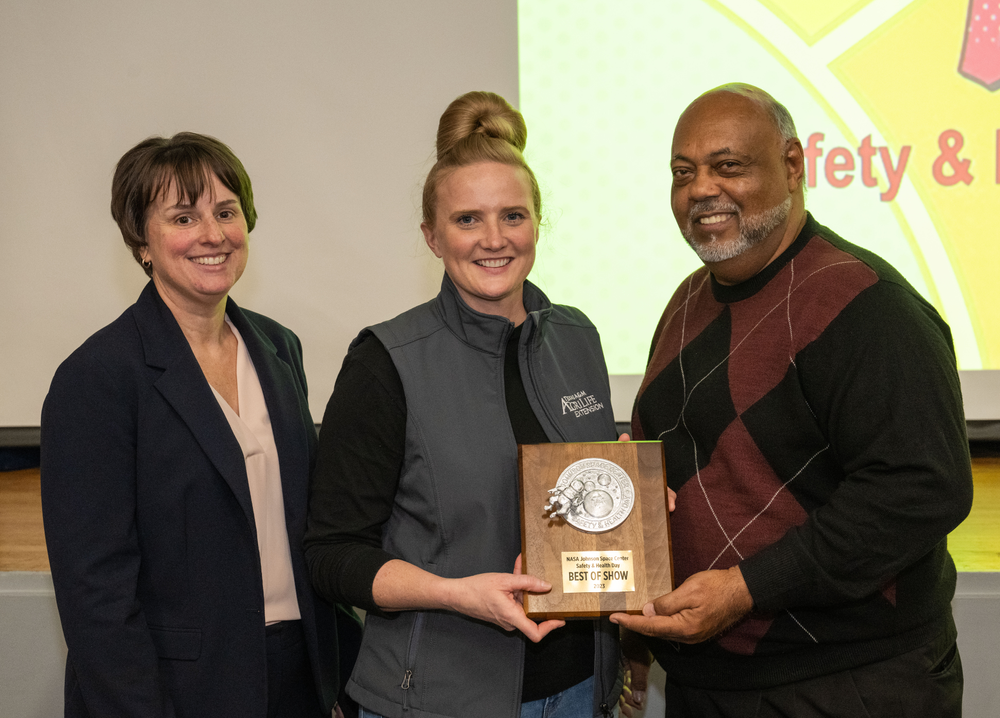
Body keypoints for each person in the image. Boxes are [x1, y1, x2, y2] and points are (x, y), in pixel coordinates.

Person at [610, 84, 974, 717]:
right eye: (682, 172)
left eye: (728, 166)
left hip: (849, 684)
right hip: (708, 684)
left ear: (793, 166)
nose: (701, 190)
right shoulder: (685, 302)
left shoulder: (869, 307)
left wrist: (747, 589)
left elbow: (922, 488)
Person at [304, 91, 624, 718]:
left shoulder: (577, 337)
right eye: (468, 220)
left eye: (513, 215)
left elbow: (587, 505)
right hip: (437, 697)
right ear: (431, 236)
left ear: (538, 223)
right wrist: (456, 594)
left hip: (582, 691)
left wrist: (635, 499)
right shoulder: (386, 360)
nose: (494, 240)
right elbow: (332, 555)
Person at [41, 132, 357, 718]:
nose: (213, 234)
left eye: (227, 212)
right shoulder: (97, 377)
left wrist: (331, 681)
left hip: (298, 677)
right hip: (175, 692)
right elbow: (95, 594)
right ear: (142, 241)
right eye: (184, 216)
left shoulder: (278, 347)